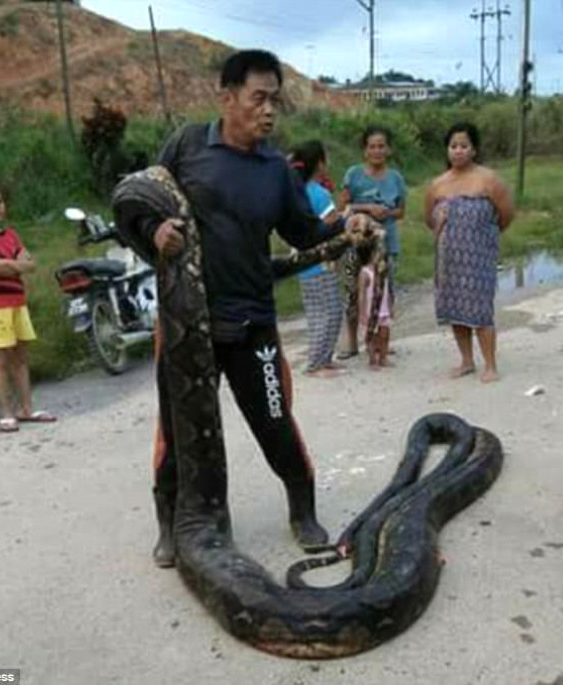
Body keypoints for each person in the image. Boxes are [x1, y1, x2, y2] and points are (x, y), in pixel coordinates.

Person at [129, 50, 366, 568]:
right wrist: (153, 232)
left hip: (253, 322)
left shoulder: (276, 170)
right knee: (175, 429)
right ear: (227, 96)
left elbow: (302, 232)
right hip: (187, 324)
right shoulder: (187, 146)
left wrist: (343, 227)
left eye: (274, 101)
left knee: (276, 419)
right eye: (259, 98)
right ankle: (170, 524)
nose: (268, 111)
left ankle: (302, 510)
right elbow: (138, 202)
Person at [424, 122, 514, 383]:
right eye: (453, 146)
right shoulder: (438, 184)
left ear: (474, 149)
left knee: (481, 310)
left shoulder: (489, 180)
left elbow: (505, 215)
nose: (458, 151)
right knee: (456, 310)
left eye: (464, 146)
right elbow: (429, 219)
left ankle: (490, 364)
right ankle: (466, 361)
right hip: (448, 259)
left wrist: (483, 237)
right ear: (447, 150)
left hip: (479, 259)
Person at [0, 182, 57, 431]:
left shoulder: (11, 234)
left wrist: (4, 264)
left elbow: (30, 264)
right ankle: (6, 413)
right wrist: (13, 264)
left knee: (21, 358)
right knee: (2, 358)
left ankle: (27, 408)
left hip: (18, 301)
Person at [338, 125, 407, 358]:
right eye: (372, 146)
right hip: (356, 241)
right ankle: (352, 342)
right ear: (365, 150)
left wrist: (386, 213)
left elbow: (401, 211)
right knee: (352, 291)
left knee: (384, 291)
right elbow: (343, 208)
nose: (377, 151)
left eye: (381, 146)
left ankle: (382, 340)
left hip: (386, 242)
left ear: (388, 149)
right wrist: (367, 208)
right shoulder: (353, 174)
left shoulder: (396, 178)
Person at [289, 140, 344, 378]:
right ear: (320, 163)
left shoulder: (295, 193)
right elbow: (332, 225)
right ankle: (317, 363)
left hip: (301, 261)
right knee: (330, 311)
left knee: (315, 312)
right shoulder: (320, 194)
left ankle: (324, 358)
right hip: (322, 262)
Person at [356, 235, 393, 370]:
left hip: (383, 309)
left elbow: (388, 290)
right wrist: (362, 312)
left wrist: (390, 305)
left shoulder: (383, 271)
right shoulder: (365, 273)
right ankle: (372, 360)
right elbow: (361, 295)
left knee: (385, 333)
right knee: (371, 336)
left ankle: (383, 357)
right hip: (371, 310)